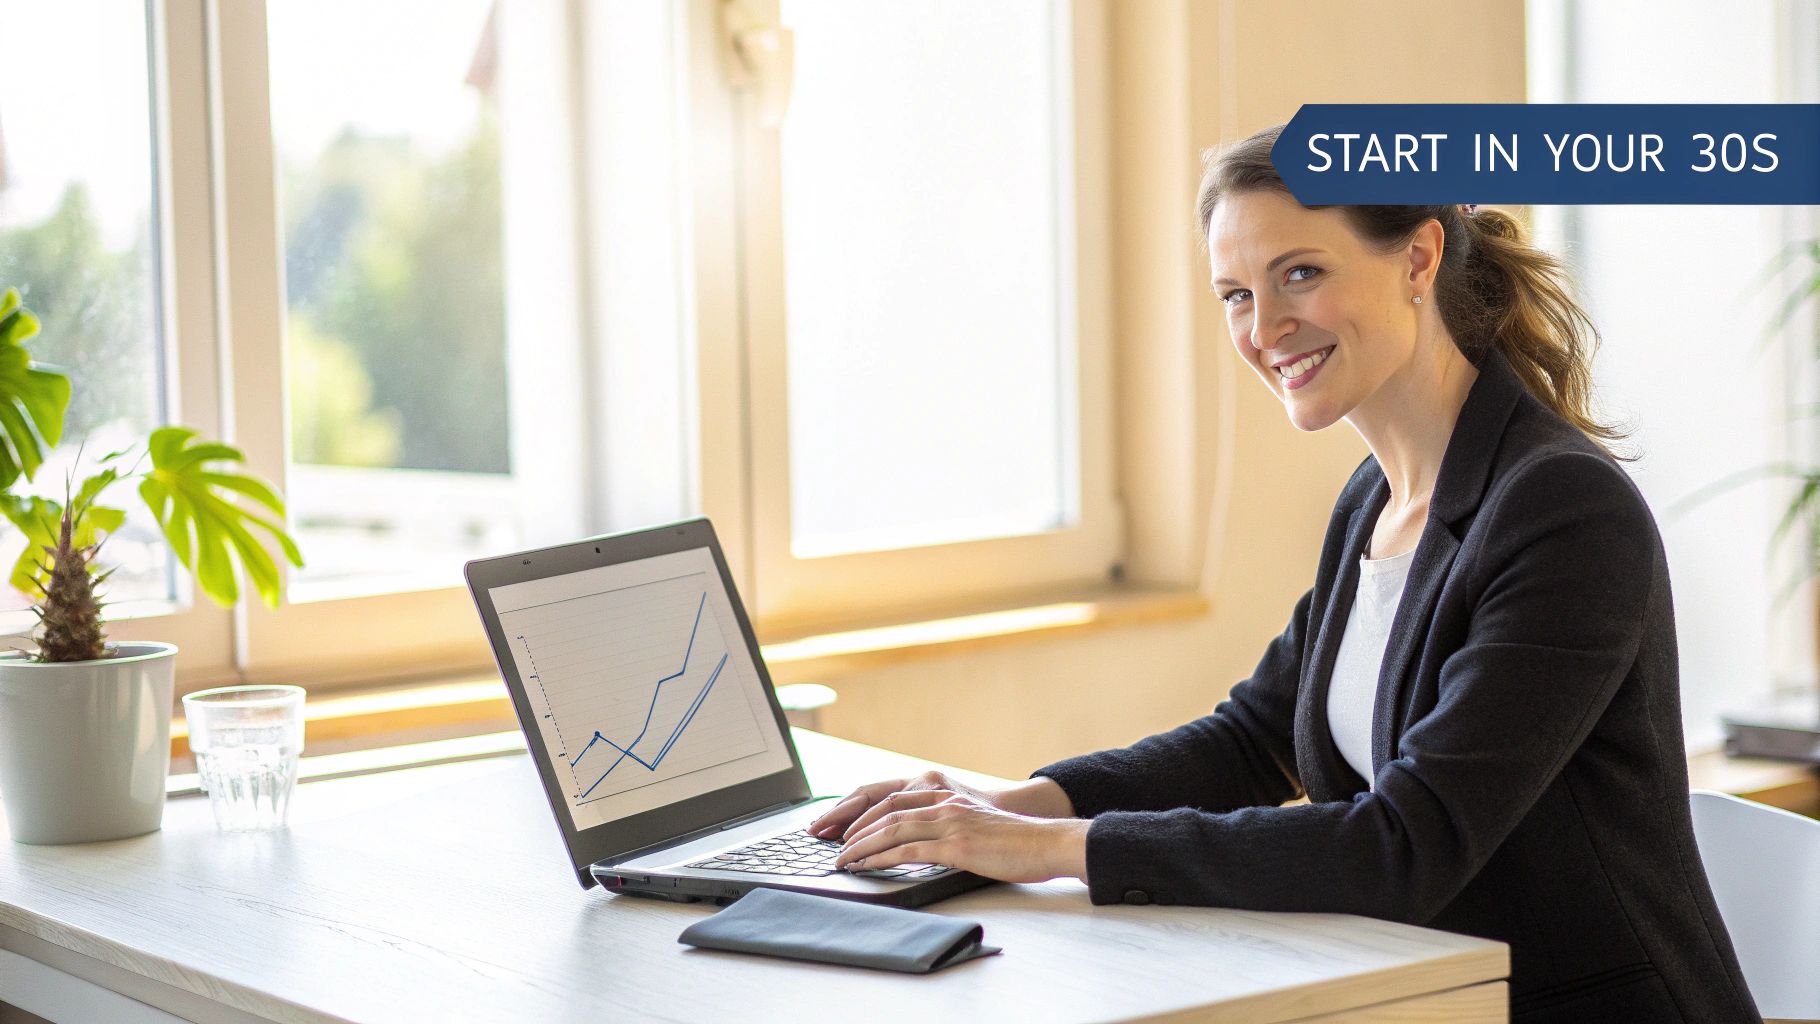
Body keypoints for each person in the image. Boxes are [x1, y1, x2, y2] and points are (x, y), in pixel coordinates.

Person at [805, 122, 1759, 1022]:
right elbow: (1251, 740)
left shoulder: (1561, 512)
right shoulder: (1375, 501)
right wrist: (1008, 804)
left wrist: (1044, 851)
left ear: (1419, 259)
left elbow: (1405, 846)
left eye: (1300, 274)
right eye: (1236, 294)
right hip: (1421, 997)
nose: (1265, 329)